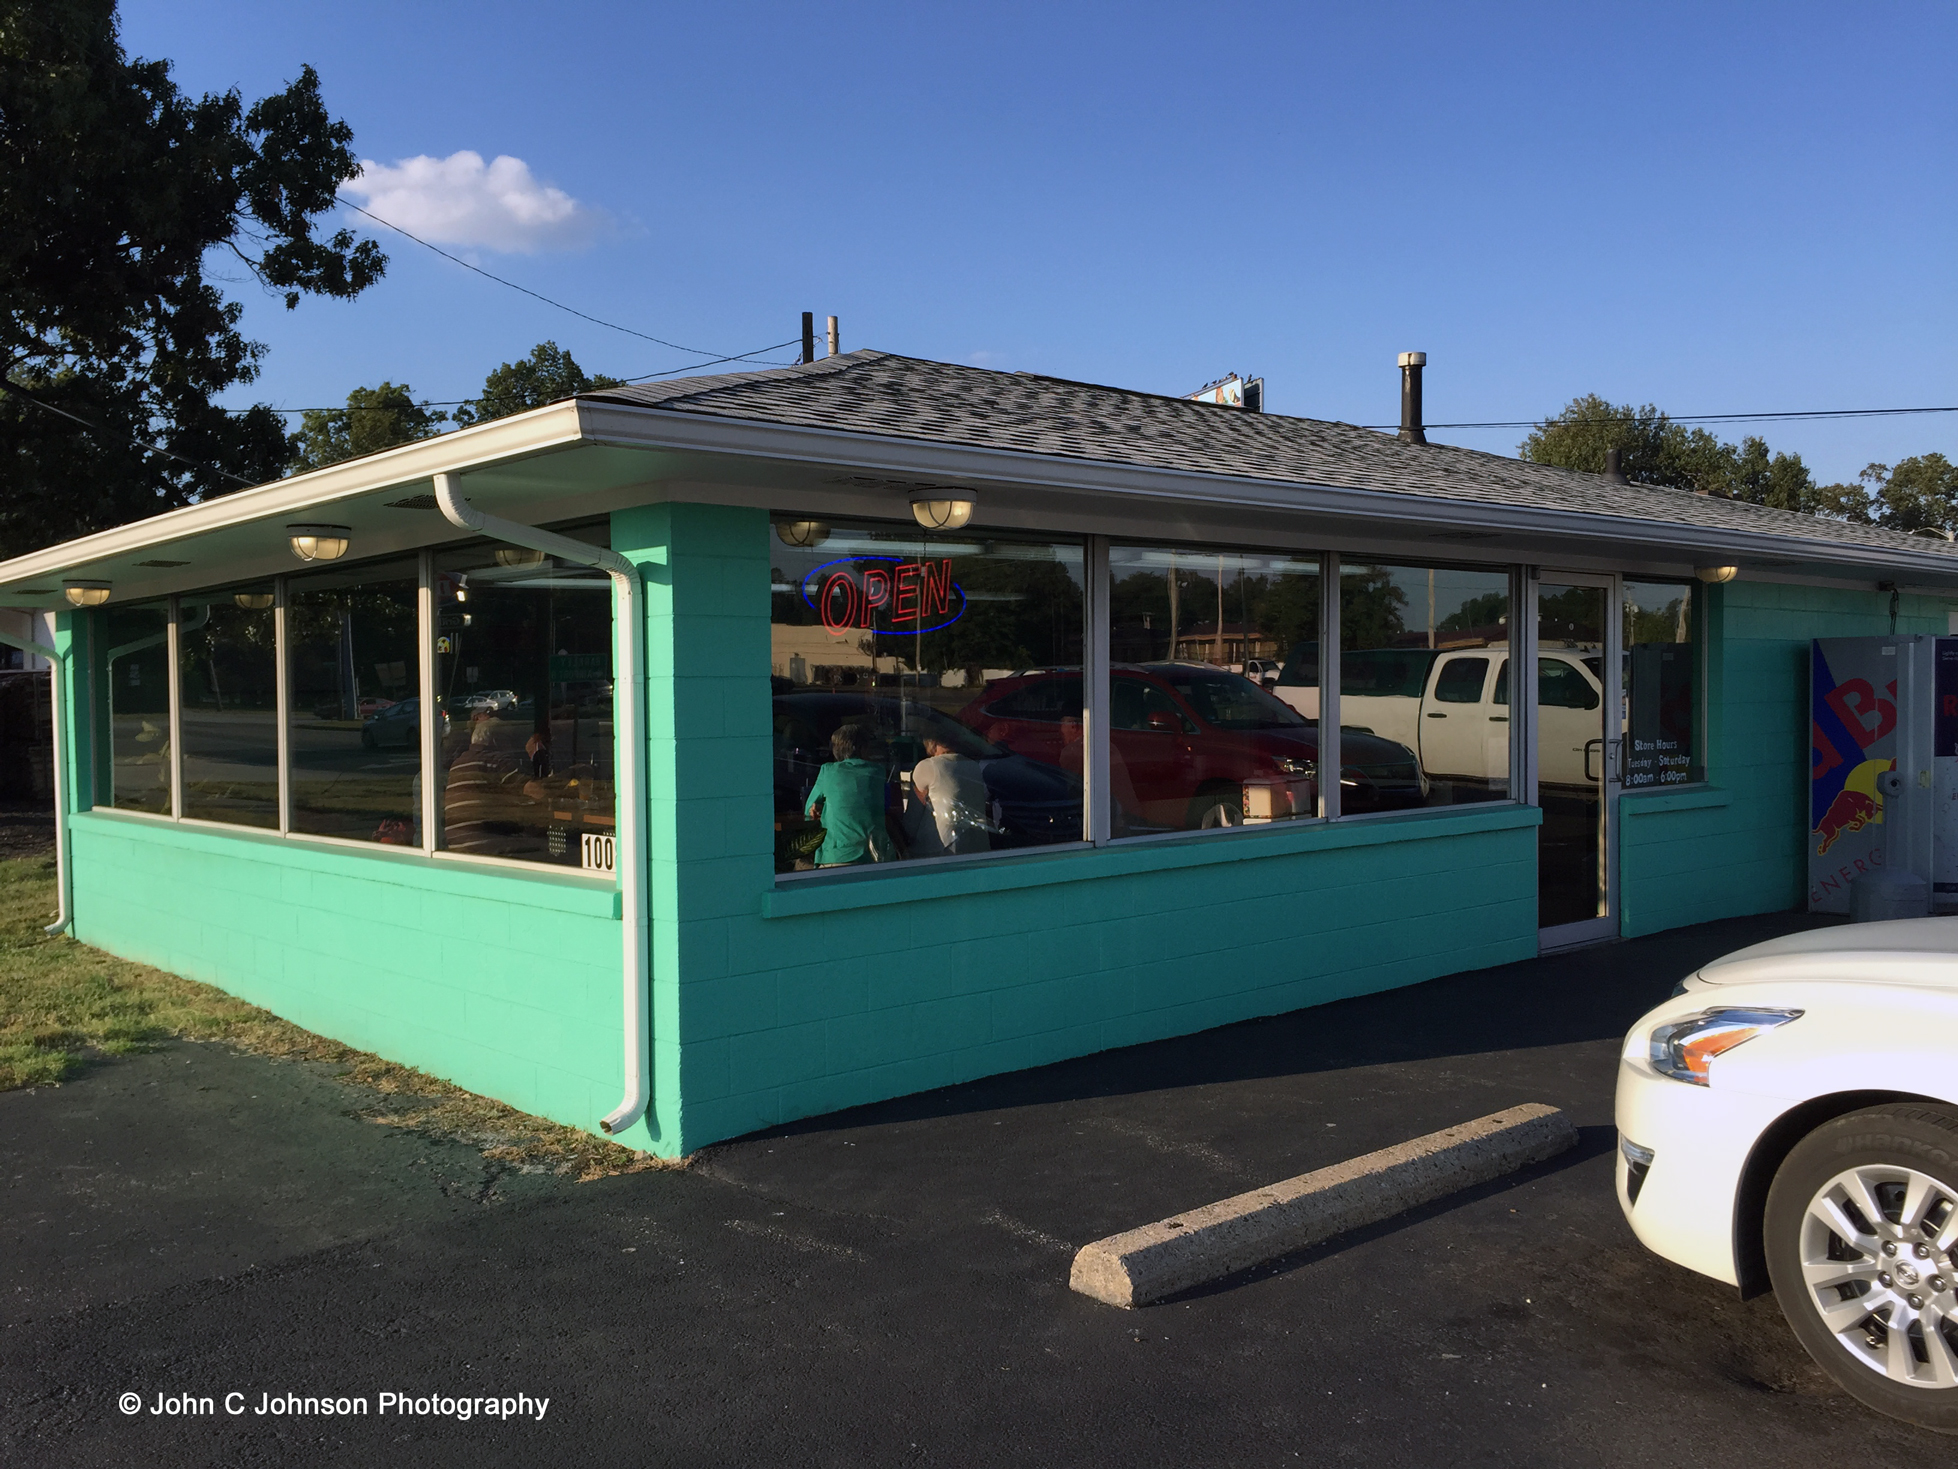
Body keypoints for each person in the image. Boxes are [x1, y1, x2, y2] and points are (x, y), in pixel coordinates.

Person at [804, 723, 891, 867]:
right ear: (863, 748)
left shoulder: (828, 771)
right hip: (874, 855)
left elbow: (808, 809)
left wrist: (819, 808)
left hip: (836, 856)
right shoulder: (877, 772)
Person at [907, 732, 992, 858]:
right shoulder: (973, 766)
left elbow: (912, 818)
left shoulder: (928, 766)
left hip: (940, 850)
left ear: (931, 743)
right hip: (976, 848)